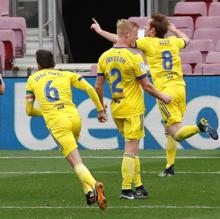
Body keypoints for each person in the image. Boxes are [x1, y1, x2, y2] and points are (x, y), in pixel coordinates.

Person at [91, 13, 218, 177]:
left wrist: (100, 31)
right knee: (169, 128)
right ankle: (169, 167)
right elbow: (187, 39)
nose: (144, 28)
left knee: (176, 132)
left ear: (152, 30)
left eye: (147, 26)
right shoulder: (173, 41)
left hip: (165, 91)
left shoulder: (148, 43)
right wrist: (173, 29)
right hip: (180, 87)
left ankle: (200, 126)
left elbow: (121, 39)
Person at [95, 19, 172, 199]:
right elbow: (147, 86)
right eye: (135, 35)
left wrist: (101, 108)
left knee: (133, 148)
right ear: (127, 34)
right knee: (130, 149)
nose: (136, 39)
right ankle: (126, 190)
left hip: (117, 109)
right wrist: (163, 96)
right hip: (133, 109)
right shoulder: (134, 57)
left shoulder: (104, 57)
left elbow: (98, 87)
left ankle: (138, 186)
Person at [25, 49, 107, 209]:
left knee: (75, 161)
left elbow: (29, 110)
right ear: (54, 63)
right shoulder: (66, 74)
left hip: (58, 123)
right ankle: (88, 191)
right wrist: (100, 110)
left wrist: (47, 111)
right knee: (74, 159)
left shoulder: (32, 79)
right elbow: (90, 89)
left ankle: (94, 184)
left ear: (38, 65)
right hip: (75, 118)